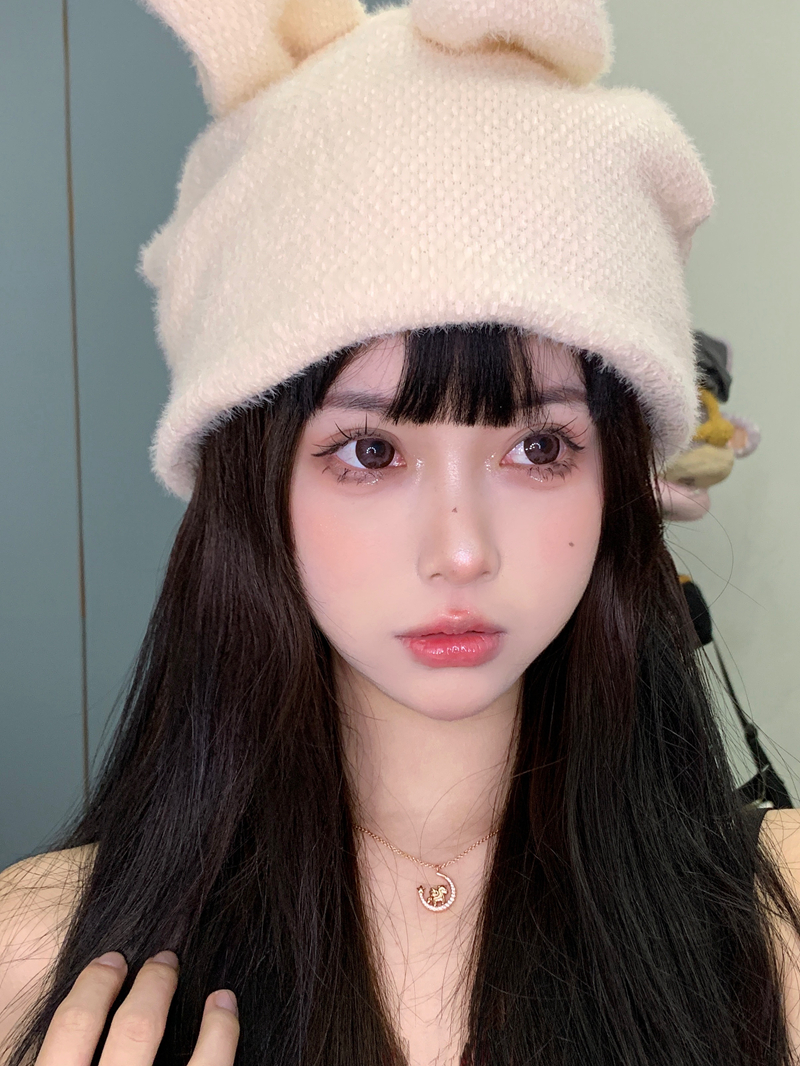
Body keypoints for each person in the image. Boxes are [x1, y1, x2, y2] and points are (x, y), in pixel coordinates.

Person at [2, 1, 800, 1064]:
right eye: (370, 452)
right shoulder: (31, 954)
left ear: (616, 477)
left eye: (539, 448)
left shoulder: (781, 924)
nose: (460, 551)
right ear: (254, 484)